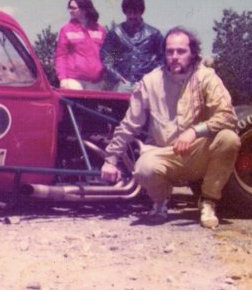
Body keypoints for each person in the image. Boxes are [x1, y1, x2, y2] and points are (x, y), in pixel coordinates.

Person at [100, 27, 240, 229]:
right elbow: (130, 123)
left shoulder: (206, 77)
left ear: (192, 53)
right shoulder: (150, 81)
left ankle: (208, 201)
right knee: (143, 168)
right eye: (169, 51)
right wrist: (110, 159)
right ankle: (160, 201)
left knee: (229, 139)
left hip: (197, 153)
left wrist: (194, 131)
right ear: (163, 53)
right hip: (164, 154)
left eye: (181, 51)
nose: (175, 56)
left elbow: (228, 116)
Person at [101, 0, 163, 92]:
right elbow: (108, 59)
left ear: (141, 12)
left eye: (136, 12)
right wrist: (117, 76)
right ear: (125, 12)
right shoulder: (117, 34)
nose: (132, 16)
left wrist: (151, 74)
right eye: (129, 12)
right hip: (123, 84)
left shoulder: (153, 34)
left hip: (146, 84)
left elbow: (163, 58)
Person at [54, 0, 106, 90]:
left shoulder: (100, 29)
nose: (70, 11)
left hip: (96, 81)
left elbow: (109, 53)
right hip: (73, 80)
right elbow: (60, 56)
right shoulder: (66, 30)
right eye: (69, 8)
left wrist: (107, 72)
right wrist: (62, 78)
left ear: (84, 9)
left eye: (73, 8)